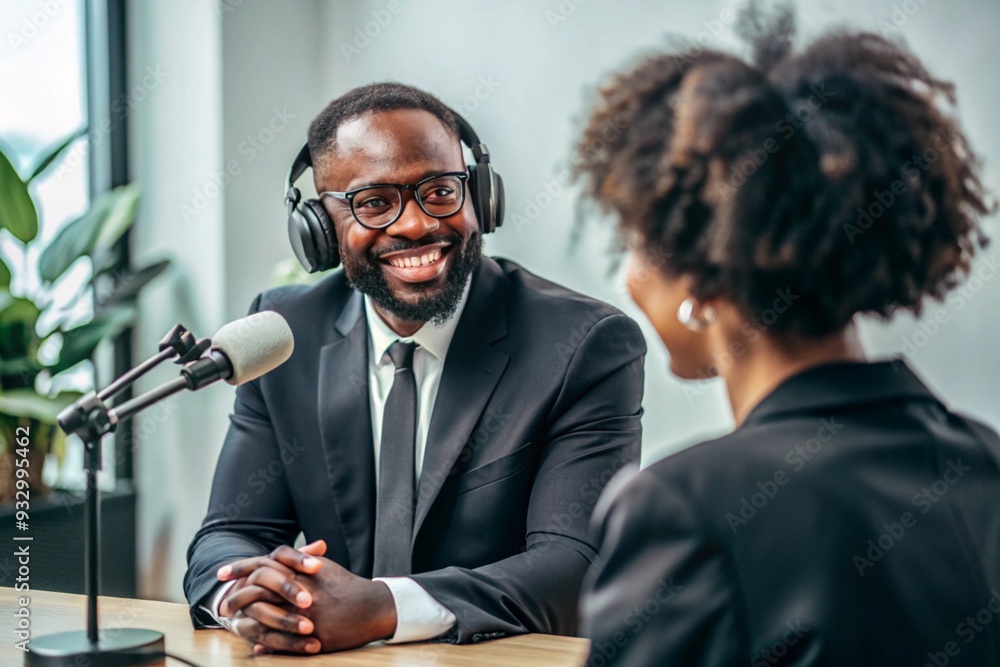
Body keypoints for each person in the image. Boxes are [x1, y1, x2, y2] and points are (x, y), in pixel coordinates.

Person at [572, 9, 1000, 667]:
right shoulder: (984, 460)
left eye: (636, 239)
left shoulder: (681, 511)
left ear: (699, 275)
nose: (627, 276)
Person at [183, 82, 646, 655]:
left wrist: (381, 609)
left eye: (439, 190)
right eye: (374, 202)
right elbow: (230, 533)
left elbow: (574, 564)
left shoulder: (582, 344)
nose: (413, 225)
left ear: (479, 195)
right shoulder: (283, 333)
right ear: (319, 228)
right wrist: (248, 601)